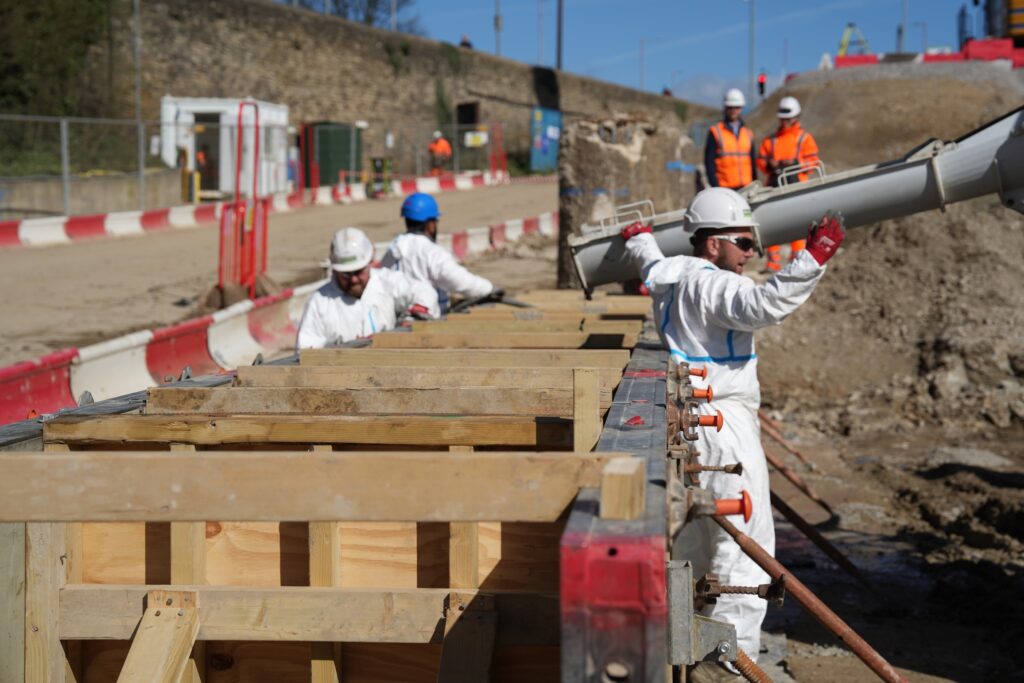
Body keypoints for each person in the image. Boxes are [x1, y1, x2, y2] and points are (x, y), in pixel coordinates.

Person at [619, 188, 845, 678]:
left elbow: (649, 262)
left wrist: (637, 238)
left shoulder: (672, 274)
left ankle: (692, 641)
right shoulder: (712, 285)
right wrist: (813, 258)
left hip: (688, 416)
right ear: (713, 244)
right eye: (743, 242)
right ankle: (729, 661)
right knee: (746, 543)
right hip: (722, 424)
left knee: (696, 542)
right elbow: (764, 304)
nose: (751, 254)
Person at [297, 227, 439, 349]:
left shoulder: (386, 282)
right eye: (346, 274)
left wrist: (414, 315)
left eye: (358, 272)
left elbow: (425, 292)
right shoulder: (320, 302)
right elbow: (305, 351)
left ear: (370, 263)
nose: (353, 279)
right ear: (334, 270)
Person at [379, 193, 495, 312]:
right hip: (427, 320)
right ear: (431, 225)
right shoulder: (431, 252)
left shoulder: (393, 248)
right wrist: (489, 288)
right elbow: (460, 280)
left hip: (397, 318)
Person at [757, 96, 820, 270]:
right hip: (774, 185)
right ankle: (773, 263)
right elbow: (761, 161)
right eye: (782, 119)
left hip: (797, 186)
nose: (784, 122)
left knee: (798, 225)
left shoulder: (804, 139)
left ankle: (797, 263)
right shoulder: (771, 140)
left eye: (788, 119)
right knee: (772, 224)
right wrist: (770, 164)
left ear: (796, 117)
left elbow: (813, 162)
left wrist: (796, 163)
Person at [704, 88, 757, 190]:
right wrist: (716, 187)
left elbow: (752, 162)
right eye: (730, 107)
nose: (733, 110)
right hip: (725, 189)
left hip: (747, 187)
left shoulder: (748, 133)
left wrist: (754, 184)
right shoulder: (715, 132)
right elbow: (709, 163)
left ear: (741, 108)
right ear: (725, 108)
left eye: (736, 107)